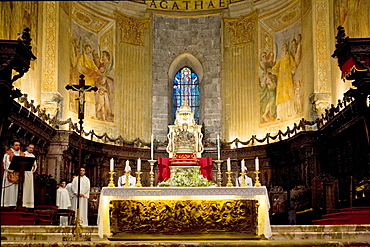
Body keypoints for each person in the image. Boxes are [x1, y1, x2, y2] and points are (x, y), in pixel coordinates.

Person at [272, 43, 297, 120]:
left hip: (287, 77)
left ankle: (289, 112)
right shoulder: (280, 59)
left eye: (285, 46)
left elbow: (294, 65)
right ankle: (280, 115)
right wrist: (277, 74)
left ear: (286, 48)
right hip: (281, 79)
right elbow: (274, 69)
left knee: (288, 93)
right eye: (283, 46)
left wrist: (292, 70)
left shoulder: (289, 57)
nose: (284, 48)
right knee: (280, 95)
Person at [1, 140, 25, 207]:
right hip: (10, 173)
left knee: (17, 190)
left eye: (19, 145)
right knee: (10, 190)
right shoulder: (8, 154)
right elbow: (6, 164)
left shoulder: (22, 154)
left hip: (19, 174)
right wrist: (14, 167)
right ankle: (7, 204)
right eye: (16, 145)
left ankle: (16, 204)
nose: (18, 147)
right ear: (12, 146)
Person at [23, 143, 37, 208]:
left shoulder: (33, 156)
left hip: (30, 173)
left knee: (29, 189)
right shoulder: (23, 154)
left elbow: (35, 166)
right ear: (27, 147)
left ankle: (29, 204)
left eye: (32, 148)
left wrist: (34, 166)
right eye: (30, 147)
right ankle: (23, 203)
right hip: (24, 173)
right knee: (24, 188)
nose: (31, 149)